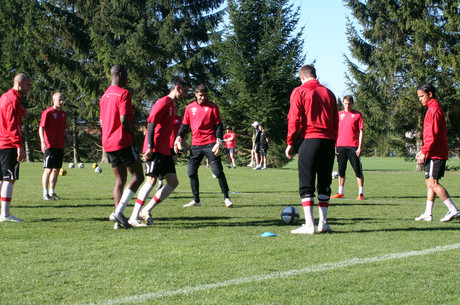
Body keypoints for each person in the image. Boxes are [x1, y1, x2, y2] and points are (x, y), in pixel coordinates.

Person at [128, 78, 190, 227]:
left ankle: (146, 210)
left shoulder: (172, 105)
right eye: (185, 91)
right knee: (151, 180)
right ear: (177, 88)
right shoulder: (162, 102)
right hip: (155, 149)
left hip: (165, 150)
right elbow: (151, 124)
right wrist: (149, 146)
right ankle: (133, 217)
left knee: (173, 182)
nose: (186, 95)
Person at [285, 65, 338, 234]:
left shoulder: (300, 91)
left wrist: (290, 142)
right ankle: (323, 223)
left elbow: (293, 117)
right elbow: (336, 120)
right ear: (315, 75)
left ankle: (309, 225)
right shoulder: (329, 93)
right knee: (324, 183)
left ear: (301, 77)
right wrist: (335, 142)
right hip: (329, 141)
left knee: (307, 183)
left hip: (311, 139)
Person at [99, 64, 145, 229]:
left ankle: (118, 220)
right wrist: (133, 134)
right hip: (122, 141)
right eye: (126, 75)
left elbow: (102, 121)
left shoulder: (104, 96)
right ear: (118, 74)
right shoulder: (124, 94)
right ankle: (119, 212)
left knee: (120, 180)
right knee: (139, 176)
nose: (127, 78)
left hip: (108, 142)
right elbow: (124, 118)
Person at [175, 84, 233, 208]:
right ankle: (196, 200)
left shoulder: (213, 107)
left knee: (218, 171)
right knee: (191, 172)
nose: (202, 98)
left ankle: (227, 197)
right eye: (200, 95)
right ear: (196, 94)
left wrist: (219, 141)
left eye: (205, 96)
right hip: (196, 144)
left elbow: (218, 125)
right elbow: (184, 125)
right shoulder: (189, 107)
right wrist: (179, 137)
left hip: (210, 143)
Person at [415, 83, 460, 222]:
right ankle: (428, 213)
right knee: (429, 183)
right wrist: (423, 150)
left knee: (433, 183)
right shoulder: (432, 108)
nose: (420, 99)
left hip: (436, 153)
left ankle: (453, 209)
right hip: (433, 152)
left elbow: (432, 135)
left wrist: (424, 151)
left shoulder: (434, 110)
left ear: (430, 94)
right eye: (419, 96)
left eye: (422, 96)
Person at [0, 73, 31, 222]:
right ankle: (5, 215)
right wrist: (19, 146)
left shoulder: (5, 97)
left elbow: (6, 118)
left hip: (1, 143)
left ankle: (3, 213)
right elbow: (12, 126)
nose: (29, 88)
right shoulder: (13, 99)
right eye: (27, 85)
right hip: (8, 143)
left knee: (2, 179)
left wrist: (21, 113)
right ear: (19, 84)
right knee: (9, 179)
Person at [331, 95, 364, 200]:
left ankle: (361, 194)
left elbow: (361, 132)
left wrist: (359, 147)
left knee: (357, 170)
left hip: (353, 146)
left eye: (349, 103)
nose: (347, 105)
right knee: (341, 170)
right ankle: (340, 192)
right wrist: (335, 145)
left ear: (352, 103)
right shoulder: (339, 115)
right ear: (343, 103)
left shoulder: (357, 115)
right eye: (345, 103)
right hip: (340, 146)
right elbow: (335, 131)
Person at [39, 92, 71, 201]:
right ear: (53, 100)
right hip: (49, 145)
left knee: (56, 170)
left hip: (59, 145)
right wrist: (42, 142)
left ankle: (52, 192)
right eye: (59, 100)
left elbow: (62, 127)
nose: (61, 102)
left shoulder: (63, 114)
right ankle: (45, 193)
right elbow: (41, 128)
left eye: (62, 99)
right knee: (48, 169)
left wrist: (67, 134)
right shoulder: (47, 113)